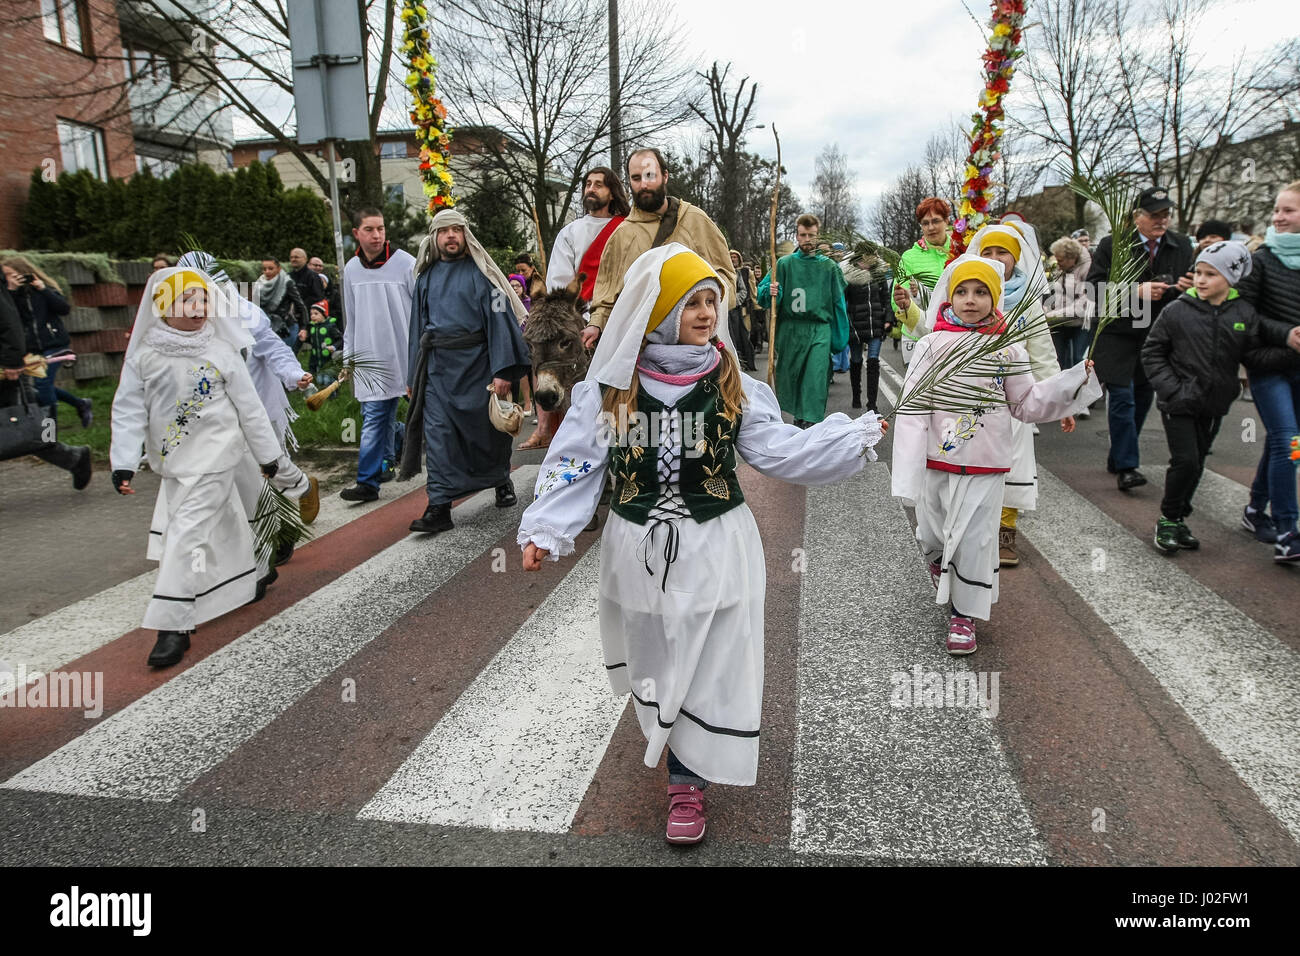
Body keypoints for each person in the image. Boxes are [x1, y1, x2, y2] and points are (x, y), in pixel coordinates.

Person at [518, 245, 885, 845]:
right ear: (660, 311)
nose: (709, 312)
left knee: (709, 655)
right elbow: (579, 461)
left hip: (717, 542)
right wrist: (545, 527)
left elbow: (777, 450)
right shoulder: (615, 386)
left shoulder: (729, 379)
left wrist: (850, 437)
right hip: (638, 548)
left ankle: (686, 781)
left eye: (713, 300)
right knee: (658, 659)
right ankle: (672, 745)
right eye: (694, 301)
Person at [891, 255, 1100, 655]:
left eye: (981, 292)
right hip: (938, 458)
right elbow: (914, 405)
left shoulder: (1009, 349)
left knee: (973, 538)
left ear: (995, 297)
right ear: (950, 297)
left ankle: (963, 616)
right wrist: (907, 468)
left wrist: (1075, 382)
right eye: (963, 291)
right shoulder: (931, 344)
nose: (971, 300)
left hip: (985, 463)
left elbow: (1025, 403)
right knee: (932, 534)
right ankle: (938, 562)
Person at [109, 269, 283, 668]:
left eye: (204, 300)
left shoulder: (221, 352)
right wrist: (123, 462)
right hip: (174, 464)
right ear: (163, 305)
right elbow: (128, 410)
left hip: (218, 457)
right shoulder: (145, 357)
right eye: (188, 300)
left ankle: (172, 626)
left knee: (185, 534)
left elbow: (250, 408)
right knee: (217, 525)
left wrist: (267, 454)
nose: (199, 308)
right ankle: (253, 573)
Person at [1142, 240, 1300, 555]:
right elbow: (1152, 352)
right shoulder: (1177, 310)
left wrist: (1288, 349)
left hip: (1213, 405)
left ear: (1231, 278)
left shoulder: (1242, 313)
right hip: (1179, 403)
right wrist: (1171, 388)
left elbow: (1255, 354)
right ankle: (1168, 519)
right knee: (1185, 461)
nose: (1200, 280)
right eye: (1198, 272)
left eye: (1210, 274)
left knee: (1198, 463)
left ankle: (1180, 517)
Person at [402, 208, 532, 534]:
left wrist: (502, 371)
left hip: (478, 369)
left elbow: (500, 321)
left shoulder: (481, 275)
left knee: (487, 434)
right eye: (444, 231)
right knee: (439, 437)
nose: (450, 236)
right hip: (436, 372)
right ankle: (439, 505)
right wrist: (411, 377)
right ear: (434, 237)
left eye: (456, 230)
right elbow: (416, 329)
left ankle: (500, 479)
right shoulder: (425, 279)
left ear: (465, 235)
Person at [176, 250, 321, 531]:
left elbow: (274, 350)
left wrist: (295, 374)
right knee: (235, 478)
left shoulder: (244, 314)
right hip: (215, 413)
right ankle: (265, 534)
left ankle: (301, 489)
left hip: (256, 405)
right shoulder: (182, 318)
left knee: (272, 466)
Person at [1087, 186, 1194, 492]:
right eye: (1154, 215)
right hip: (1118, 332)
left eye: (1166, 214)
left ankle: (1118, 455)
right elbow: (1094, 289)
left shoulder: (1182, 244)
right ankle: (1128, 467)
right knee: (1123, 397)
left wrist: (1186, 286)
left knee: (1144, 397)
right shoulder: (1113, 245)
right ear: (1137, 217)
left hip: (1158, 333)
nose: (1161, 221)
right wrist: (1136, 291)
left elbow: (1191, 281)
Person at [585, 148, 736, 350]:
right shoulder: (621, 236)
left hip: (696, 347)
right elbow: (606, 298)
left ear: (665, 176)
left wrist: (697, 305)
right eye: (636, 178)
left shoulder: (696, 221)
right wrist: (596, 324)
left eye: (650, 176)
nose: (644, 184)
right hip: (641, 350)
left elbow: (726, 282)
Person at [1237, 181, 1300, 560]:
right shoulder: (1260, 260)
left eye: (1288, 211)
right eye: (1277, 209)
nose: (1278, 216)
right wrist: (1286, 334)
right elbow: (1244, 315)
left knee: (1283, 440)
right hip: (1267, 366)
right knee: (1290, 443)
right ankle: (1289, 530)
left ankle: (1255, 509)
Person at [339, 207, 417, 502]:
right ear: (356, 233)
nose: (377, 235)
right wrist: (350, 357)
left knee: (428, 415)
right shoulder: (351, 269)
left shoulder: (405, 263)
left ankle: (448, 472)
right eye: (370, 229)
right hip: (372, 357)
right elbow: (353, 318)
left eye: (381, 229)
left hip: (405, 354)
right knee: (374, 418)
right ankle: (368, 482)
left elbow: (421, 309)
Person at [755, 213, 849, 427]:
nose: (808, 239)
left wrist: (839, 338)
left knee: (815, 379)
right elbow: (763, 295)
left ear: (818, 236)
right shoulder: (784, 264)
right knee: (792, 378)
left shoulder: (829, 267)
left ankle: (811, 423)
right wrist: (771, 292)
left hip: (819, 329)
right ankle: (799, 420)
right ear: (797, 236)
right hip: (791, 329)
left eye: (812, 235)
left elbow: (838, 304)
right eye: (803, 235)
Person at [0, 282, 91, 488]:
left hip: (9, 366)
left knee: (31, 426)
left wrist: (13, 360)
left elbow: (8, 319)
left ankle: (75, 457)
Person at [2, 257, 93, 428]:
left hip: (55, 345)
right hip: (32, 349)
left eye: (12, 275)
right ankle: (80, 404)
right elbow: (10, 317)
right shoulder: (10, 296)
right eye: (5, 275)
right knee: (40, 388)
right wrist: (12, 291)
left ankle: (50, 431)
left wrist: (42, 289)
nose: (8, 279)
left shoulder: (42, 290)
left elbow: (64, 309)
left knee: (42, 385)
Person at [546, 166, 630, 300]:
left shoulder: (625, 228)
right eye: (588, 184)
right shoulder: (569, 232)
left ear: (612, 194)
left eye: (598, 185)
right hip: (580, 313)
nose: (591, 189)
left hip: (619, 307)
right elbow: (558, 282)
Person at [892, 198, 954, 365]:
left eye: (936, 221)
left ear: (947, 221)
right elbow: (896, 301)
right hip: (918, 337)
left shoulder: (960, 250)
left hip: (954, 335)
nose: (931, 227)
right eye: (925, 223)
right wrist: (904, 301)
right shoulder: (909, 257)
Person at [840, 243, 893, 411]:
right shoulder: (850, 274)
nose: (876, 256)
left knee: (873, 362)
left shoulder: (878, 273)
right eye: (873, 254)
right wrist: (847, 323)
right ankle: (856, 395)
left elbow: (886, 297)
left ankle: (872, 404)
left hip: (876, 323)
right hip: (856, 324)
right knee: (855, 360)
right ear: (863, 255)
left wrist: (888, 318)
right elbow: (843, 301)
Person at [1045, 236, 1094, 371]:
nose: (1057, 264)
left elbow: (1082, 305)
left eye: (1060, 261)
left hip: (1080, 322)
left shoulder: (1089, 270)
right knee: (1058, 359)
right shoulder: (1062, 269)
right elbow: (1057, 294)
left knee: (1078, 358)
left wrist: (1050, 316)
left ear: (1071, 258)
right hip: (1061, 322)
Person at [255, 255, 308, 352]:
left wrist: (304, 327)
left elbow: (300, 305)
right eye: (264, 269)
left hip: (285, 328)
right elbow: (252, 308)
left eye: (271, 268)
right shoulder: (258, 285)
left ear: (278, 269)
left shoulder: (287, 283)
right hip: (265, 328)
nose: (267, 271)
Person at [727, 249, 757, 372]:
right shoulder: (724, 271)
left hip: (739, 310)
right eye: (731, 257)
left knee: (742, 336)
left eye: (735, 257)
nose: (733, 259)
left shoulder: (743, 272)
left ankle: (743, 361)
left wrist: (734, 301)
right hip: (725, 311)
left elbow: (745, 290)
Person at [305, 300, 342, 388]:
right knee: (319, 380)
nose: (312, 316)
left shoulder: (330, 326)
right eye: (311, 314)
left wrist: (334, 347)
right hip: (317, 359)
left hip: (328, 359)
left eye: (316, 313)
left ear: (324, 314)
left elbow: (340, 339)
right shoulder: (313, 327)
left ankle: (332, 391)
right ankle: (324, 393)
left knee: (327, 379)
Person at [308, 256, 344, 332]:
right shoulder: (309, 292)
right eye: (315, 265)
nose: (318, 267)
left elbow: (339, 311)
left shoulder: (334, 294)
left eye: (320, 266)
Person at [288, 247, 327, 312]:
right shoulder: (288, 276)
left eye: (296, 257)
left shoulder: (313, 276)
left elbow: (318, 297)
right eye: (291, 257)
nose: (293, 259)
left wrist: (299, 306)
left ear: (305, 259)